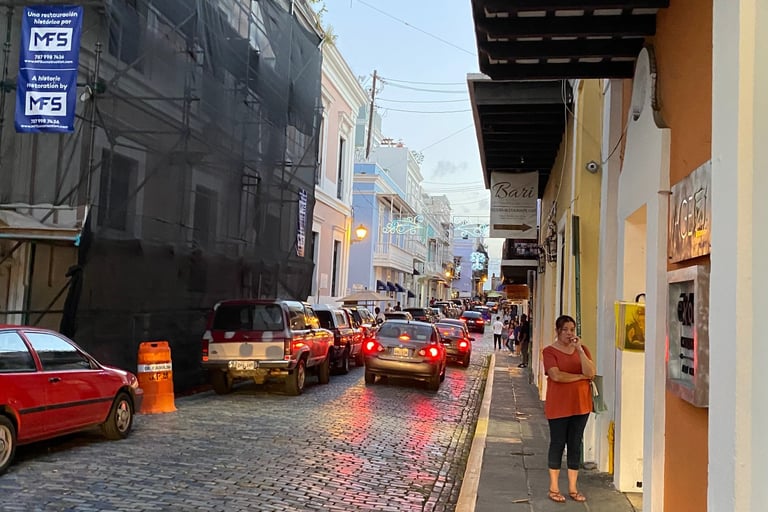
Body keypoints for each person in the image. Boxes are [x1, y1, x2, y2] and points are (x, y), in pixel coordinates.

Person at [542, 314, 596, 504]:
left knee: (575, 443)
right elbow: (556, 376)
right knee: (558, 443)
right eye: (565, 329)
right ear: (557, 331)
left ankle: (573, 488)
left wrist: (579, 350)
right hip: (558, 405)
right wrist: (580, 377)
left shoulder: (582, 350)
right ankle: (554, 487)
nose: (568, 333)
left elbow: (590, 373)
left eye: (572, 329)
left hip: (581, 404)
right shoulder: (549, 352)